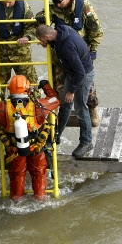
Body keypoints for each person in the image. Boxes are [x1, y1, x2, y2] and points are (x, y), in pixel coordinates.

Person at [35, 0, 104, 126]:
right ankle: (60, 115)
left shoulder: (84, 6)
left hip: (79, 55)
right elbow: (41, 21)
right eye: (56, 3)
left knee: (87, 86)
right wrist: (40, 18)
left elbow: (96, 31)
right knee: (60, 88)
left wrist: (92, 51)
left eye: (61, 2)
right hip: (60, 56)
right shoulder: (54, 7)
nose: (58, 5)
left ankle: (92, 109)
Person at [0, 75, 60, 201]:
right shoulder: (38, 106)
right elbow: (55, 100)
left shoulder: (0, 108)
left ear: (9, 90)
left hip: (15, 150)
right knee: (39, 173)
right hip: (36, 148)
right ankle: (40, 198)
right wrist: (45, 86)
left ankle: (16, 200)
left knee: (17, 174)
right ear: (28, 90)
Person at [35, 25, 95, 157]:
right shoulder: (60, 31)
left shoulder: (67, 46)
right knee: (65, 106)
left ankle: (86, 142)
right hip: (72, 73)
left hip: (83, 74)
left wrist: (71, 91)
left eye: (42, 41)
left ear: (47, 36)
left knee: (80, 108)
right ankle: (56, 135)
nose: (42, 43)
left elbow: (80, 72)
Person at [0, 0, 39, 103]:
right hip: (3, 52)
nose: (7, 5)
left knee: (29, 81)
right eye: (4, 3)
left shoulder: (24, 7)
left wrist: (27, 37)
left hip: (21, 52)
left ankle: (36, 106)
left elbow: (32, 26)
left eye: (9, 2)